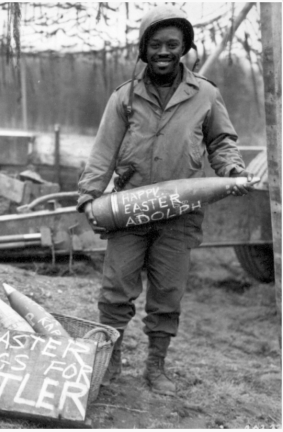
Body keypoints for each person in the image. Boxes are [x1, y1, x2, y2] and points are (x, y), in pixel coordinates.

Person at [77, 6, 254, 396]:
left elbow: (221, 141)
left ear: (184, 49)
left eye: (172, 44)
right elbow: (103, 151)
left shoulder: (205, 94)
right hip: (129, 211)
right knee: (115, 290)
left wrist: (231, 171)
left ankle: (156, 366)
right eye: (155, 44)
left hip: (180, 215)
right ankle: (111, 358)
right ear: (144, 50)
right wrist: (91, 194)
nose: (163, 51)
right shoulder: (124, 97)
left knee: (168, 294)